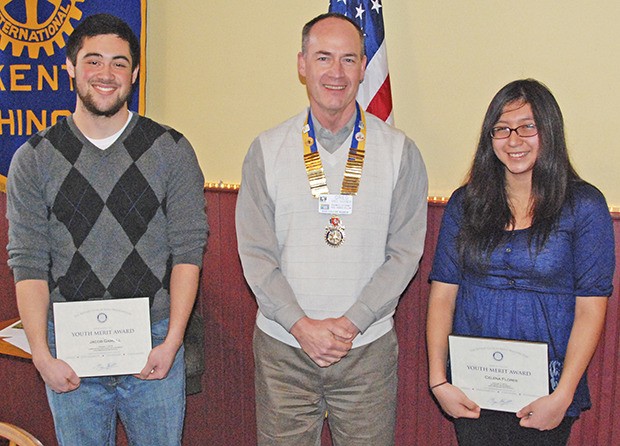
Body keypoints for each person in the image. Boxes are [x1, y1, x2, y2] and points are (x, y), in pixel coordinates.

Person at [6, 14, 207, 446]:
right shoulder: (33, 158)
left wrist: (172, 343)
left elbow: (189, 252)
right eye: (93, 61)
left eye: (119, 63)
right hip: (69, 349)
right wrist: (42, 355)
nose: (106, 74)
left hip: (153, 344)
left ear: (134, 73)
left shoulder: (171, 150)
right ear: (70, 67)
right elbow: (28, 263)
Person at [236, 12, 428, 446]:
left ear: (364, 67)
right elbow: (256, 254)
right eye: (323, 57)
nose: (336, 73)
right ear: (302, 64)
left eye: (348, 59)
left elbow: (405, 253)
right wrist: (302, 326)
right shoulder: (266, 150)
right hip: (284, 351)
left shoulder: (401, 152)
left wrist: (351, 324)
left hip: (367, 354)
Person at [426, 79, 615, 445]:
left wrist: (562, 396)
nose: (514, 140)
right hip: (471, 391)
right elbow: (442, 294)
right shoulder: (465, 204)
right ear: (489, 137)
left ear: (549, 131)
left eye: (528, 126)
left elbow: (591, 308)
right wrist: (438, 381)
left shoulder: (584, 206)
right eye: (502, 129)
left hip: (546, 395)